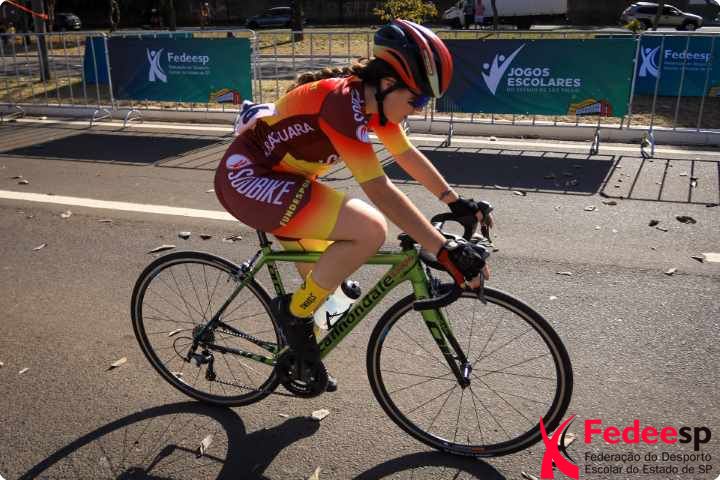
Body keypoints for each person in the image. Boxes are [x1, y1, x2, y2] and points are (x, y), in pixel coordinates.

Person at [214, 19, 493, 389]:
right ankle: (292, 315)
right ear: (388, 83)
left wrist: (455, 202)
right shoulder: (342, 105)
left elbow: (405, 154)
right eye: (418, 100)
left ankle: (300, 361)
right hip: (248, 179)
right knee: (369, 229)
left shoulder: (374, 103)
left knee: (331, 297)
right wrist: (443, 249)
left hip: (286, 182)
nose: (419, 110)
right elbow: (379, 188)